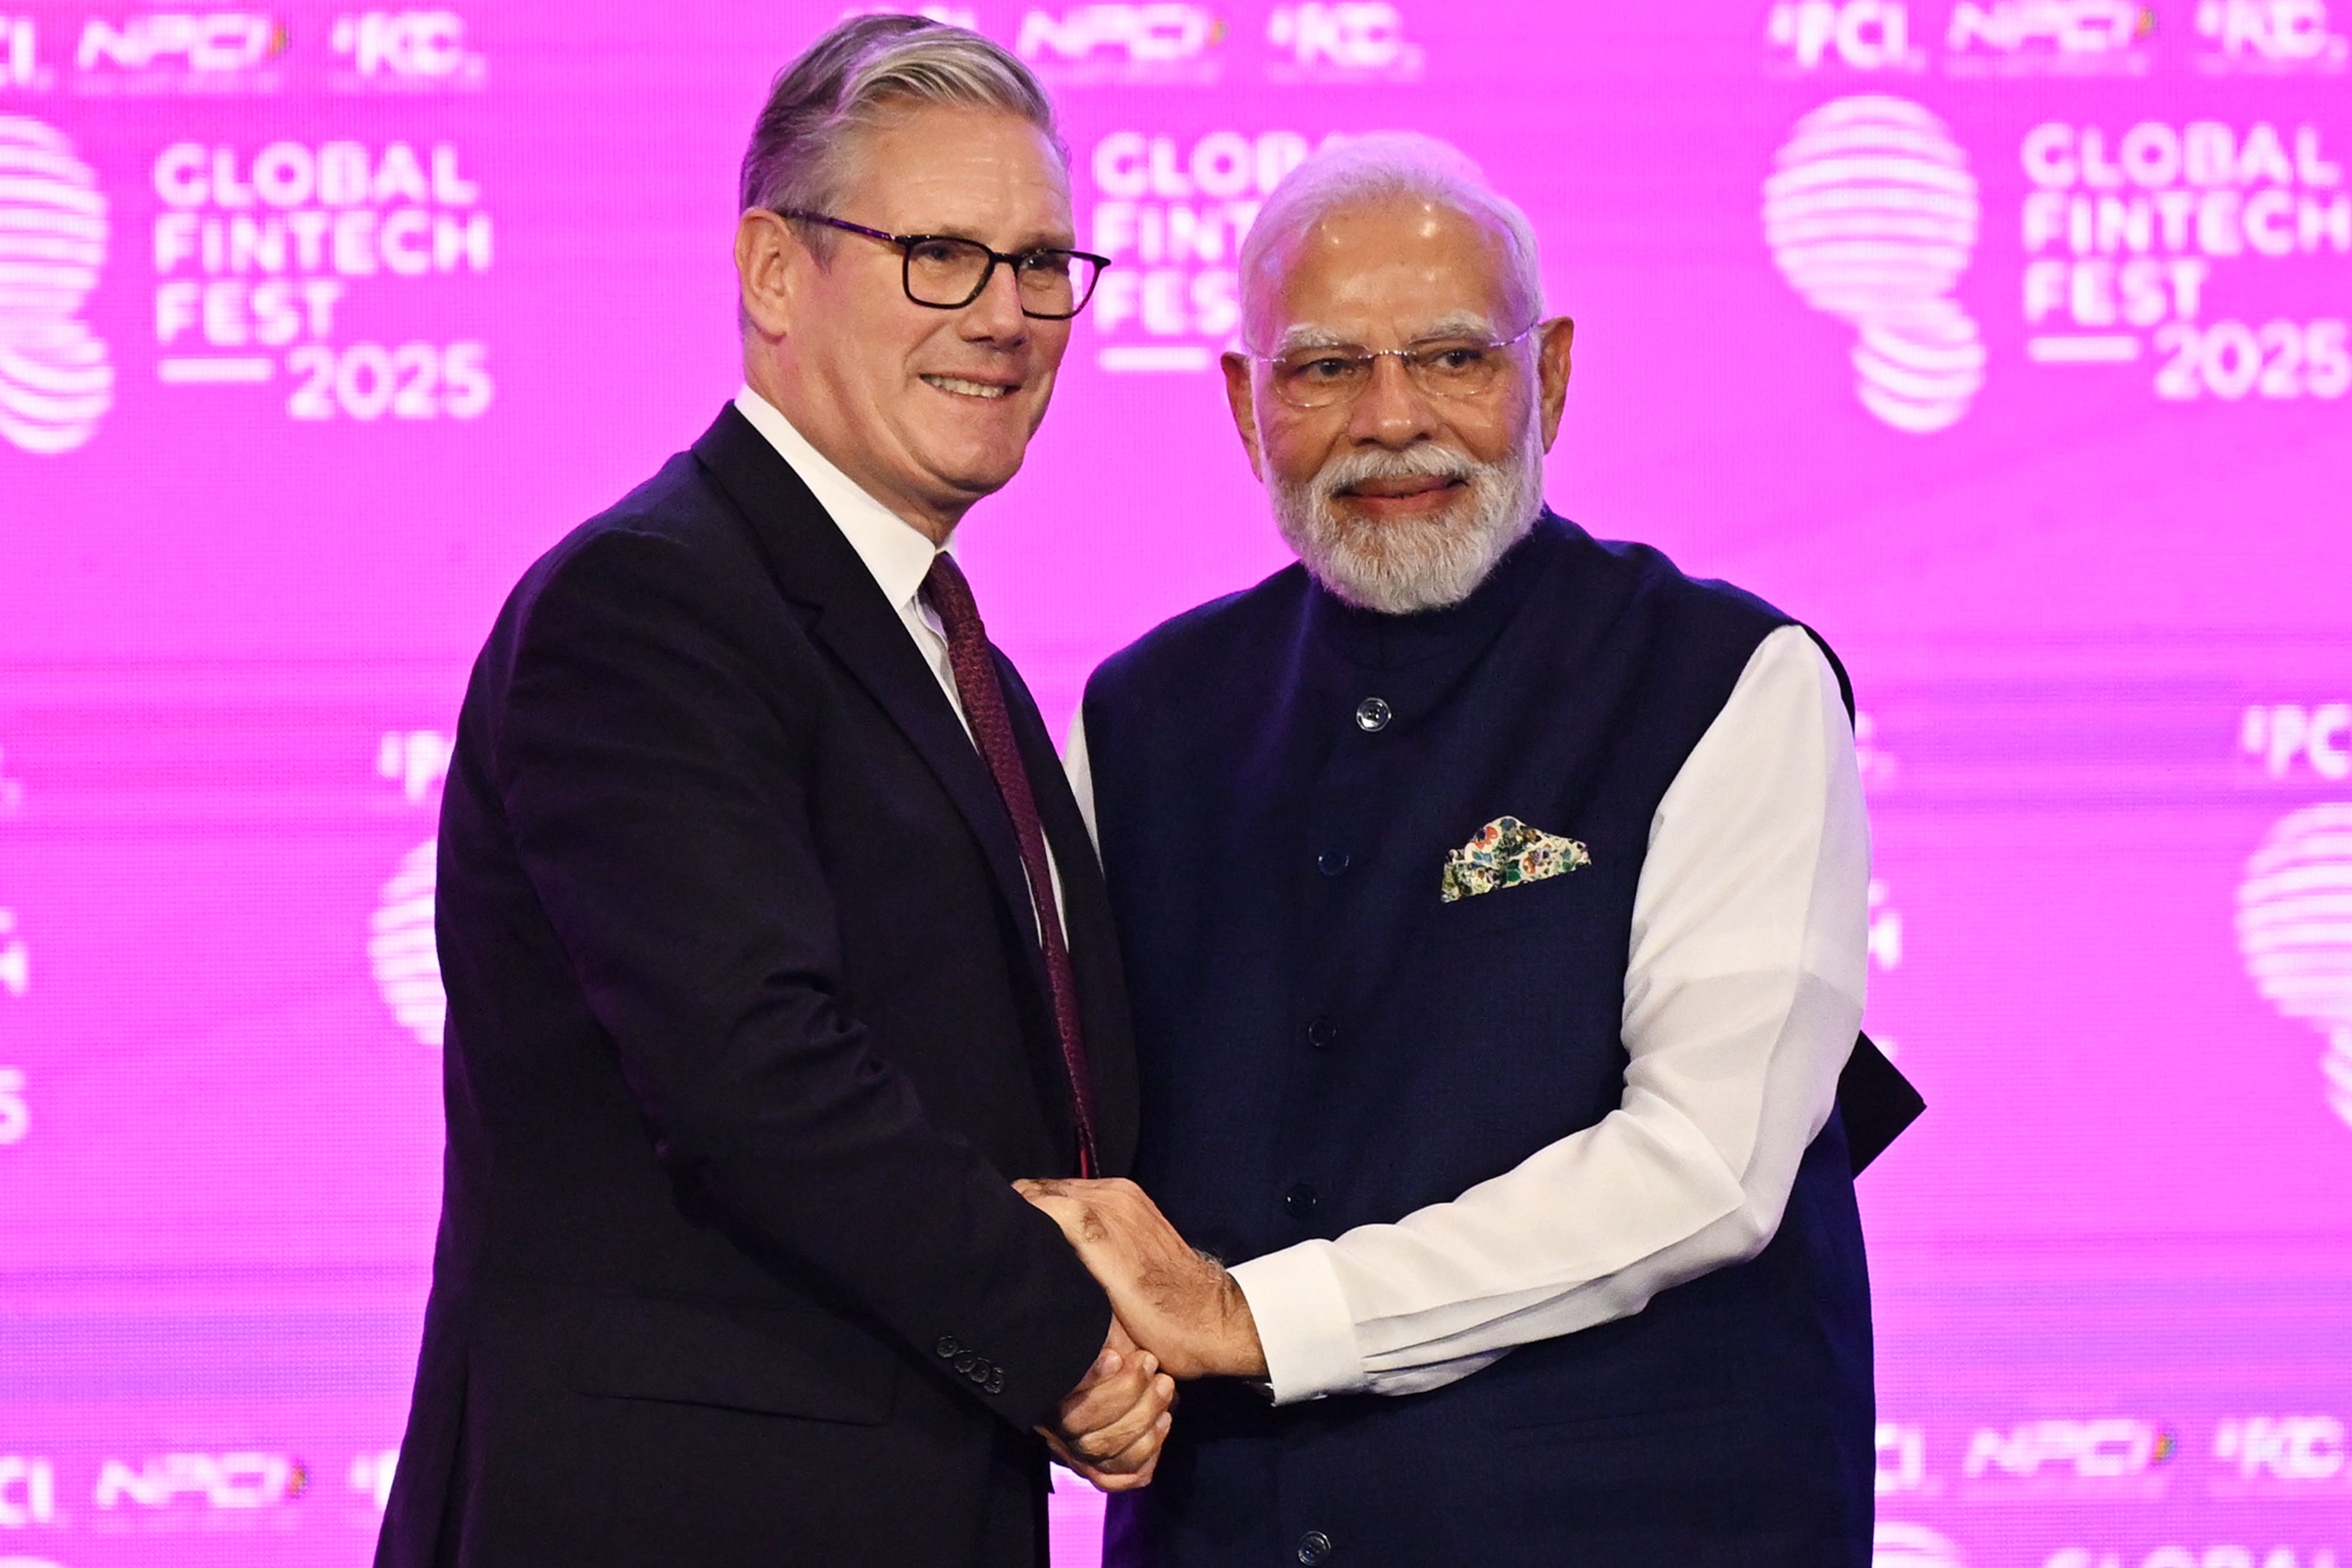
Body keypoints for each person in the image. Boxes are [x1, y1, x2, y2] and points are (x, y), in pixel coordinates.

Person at [1023, 134, 1920, 1566]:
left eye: (1450, 358)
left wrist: (1261, 1319)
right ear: (1243, 406)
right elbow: (1051, 1126)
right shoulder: (1137, 717)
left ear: (1547, 376)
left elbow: (1703, 1164)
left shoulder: (1726, 681)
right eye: (1323, 369)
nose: (1391, 420)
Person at [376, 18, 1172, 1568]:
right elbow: (756, 1073)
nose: (1007, 317)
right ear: (772, 272)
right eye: (940, 255)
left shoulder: (961, 663)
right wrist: (1067, 1342)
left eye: (1041, 266)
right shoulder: (650, 609)